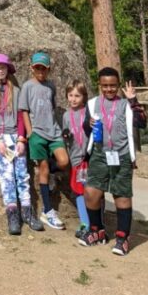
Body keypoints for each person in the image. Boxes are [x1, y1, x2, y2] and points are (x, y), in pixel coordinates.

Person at [80, 68, 146, 256]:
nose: (109, 89)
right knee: (91, 192)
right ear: (99, 85)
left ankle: (122, 238)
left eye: (113, 86)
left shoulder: (126, 104)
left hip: (122, 155)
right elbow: (86, 129)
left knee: (121, 195)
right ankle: (96, 231)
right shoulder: (92, 104)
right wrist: (88, 124)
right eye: (105, 86)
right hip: (100, 155)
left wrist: (133, 100)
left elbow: (142, 122)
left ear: (118, 85)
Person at [0, 53, 42, 234]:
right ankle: (12, 215)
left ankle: (27, 211)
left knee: (22, 174)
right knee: (7, 177)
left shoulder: (16, 91)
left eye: (3, 67)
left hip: (15, 135)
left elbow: (21, 116)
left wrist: (22, 138)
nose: (0, 70)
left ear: (8, 69)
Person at [19, 51, 70, 229]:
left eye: (44, 68)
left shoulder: (51, 86)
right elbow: (23, 110)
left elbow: (52, 107)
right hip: (37, 133)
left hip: (53, 131)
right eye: (37, 67)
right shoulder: (27, 86)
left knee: (64, 161)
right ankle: (48, 211)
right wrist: (30, 132)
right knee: (43, 170)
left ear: (48, 69)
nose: (40, 70)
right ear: (32, 68)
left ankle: (51, 170)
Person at [62, 79, 91, 240]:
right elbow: (67, 138)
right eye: (70, 95)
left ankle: (96, 223)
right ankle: (85, 223)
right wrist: (66, 136)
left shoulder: (88, 112)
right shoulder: (66, 115)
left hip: (88, 158)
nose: (73, 99)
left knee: (92, 191)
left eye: (77, 96)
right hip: (75, 160)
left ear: (84, 97)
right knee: (79, 191)